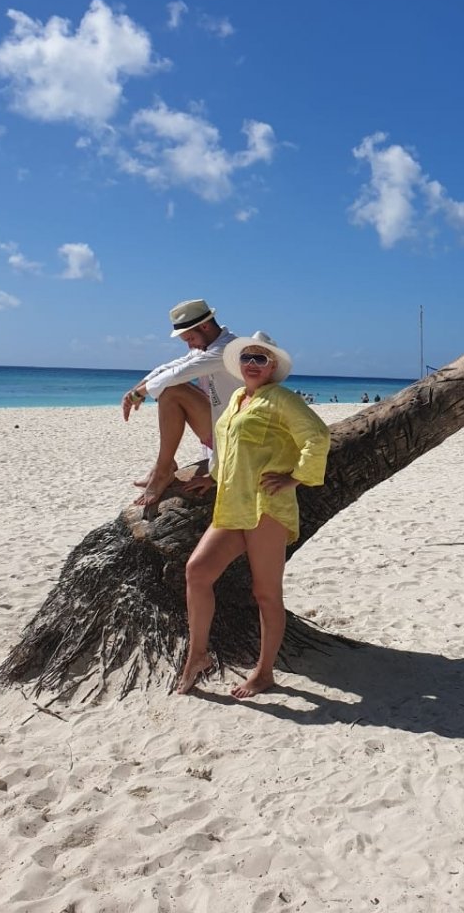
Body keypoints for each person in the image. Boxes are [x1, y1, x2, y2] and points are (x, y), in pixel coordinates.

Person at [177, 331, 330, 700]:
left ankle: (264, 673)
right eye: (247, 357)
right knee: (197, 571)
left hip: (266, 507)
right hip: (231, 503)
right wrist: (214, 480)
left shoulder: (281, 399)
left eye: (260, 359)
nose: (252, 364)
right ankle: (198, 656)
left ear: (273, 366)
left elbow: (318, 436)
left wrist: (295, 478)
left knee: (265, 593)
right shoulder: (236, 398)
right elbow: (231, 448)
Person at [122, 299, 241, 506]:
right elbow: (168, 368)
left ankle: (162, 471)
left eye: (190, 338)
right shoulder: (206, 347)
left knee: (172, 391)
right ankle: (164, 467)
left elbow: (179, 374)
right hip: (219, 425)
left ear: (204, 326)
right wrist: (134, 391)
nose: (190, 344)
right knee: (170, 388)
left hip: (236, 435)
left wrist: (137, 395)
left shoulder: (227, 349)